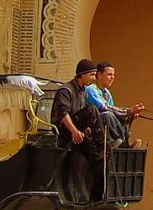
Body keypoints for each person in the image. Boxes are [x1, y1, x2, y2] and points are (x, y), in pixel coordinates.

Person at [51, 58, 104, 202]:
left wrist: (86, 129)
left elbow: (79, 114)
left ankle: (95, 199)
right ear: (83, 74)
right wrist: (74, 131)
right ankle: (102, 143)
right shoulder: (66, 90)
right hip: (65, 131)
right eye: (92, 75)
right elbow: (63, 114)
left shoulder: (82, 91)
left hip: (77, 131)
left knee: (98, 161)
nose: (94, 78)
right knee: (92, 109)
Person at [85, 62, 144, 147]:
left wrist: (130, 115)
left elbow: (114, 110)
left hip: (103, 123)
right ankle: (124, 145)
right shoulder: (91, 90)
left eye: (113, 75)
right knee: (107, 115)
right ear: (99, 74)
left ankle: (124, 142)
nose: (112, 77)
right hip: (93, 125)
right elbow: (105, 107)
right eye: (109, 74)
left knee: (119, 116)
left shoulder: (107, 92)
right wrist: (128, 111)